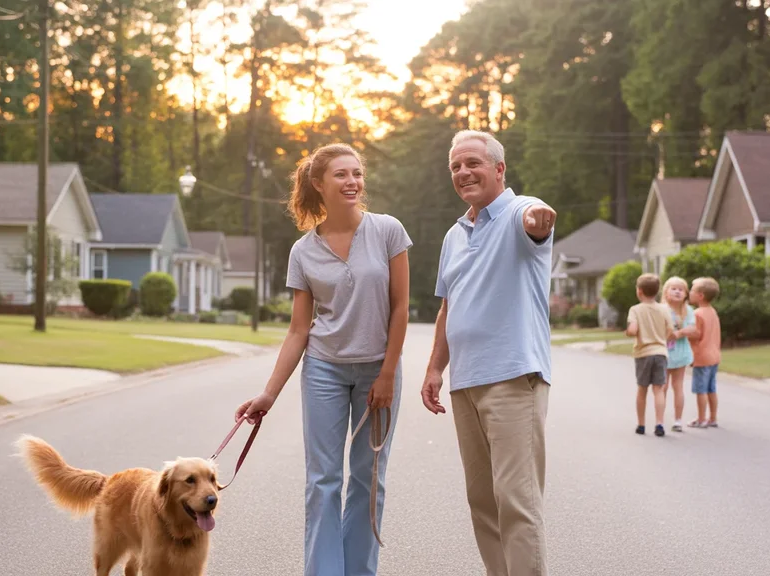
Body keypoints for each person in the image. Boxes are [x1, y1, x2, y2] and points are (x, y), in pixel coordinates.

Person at [234, 143, 412, 576]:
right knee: (323, 481)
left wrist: (387, 372)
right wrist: (268, 394)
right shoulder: (303, 252)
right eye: (341, 175)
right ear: (318, 184)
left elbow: (402, 306)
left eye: (357, 173)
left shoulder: (388, 231)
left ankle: (358, 571)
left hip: (377, 369)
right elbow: (299, 329)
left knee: (369, 478)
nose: (352, 182)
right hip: (324, 370)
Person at [421, 129, 556, 576]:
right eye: (455, 166)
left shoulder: (519, 210)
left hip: (514, 378)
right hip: (466, 384)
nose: (463, 172)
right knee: (482, 502)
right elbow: (448, 307)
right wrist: (435, 367)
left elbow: (536, 220)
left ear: (499, 169)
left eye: (473, 163)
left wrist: (540, 219)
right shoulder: (455, 235)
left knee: (516, 500)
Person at [625, 273, 675, 437]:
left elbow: (633, 330)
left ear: (639, 291)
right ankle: (660, 423)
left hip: (643, 353)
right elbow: (670, 330)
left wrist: (629, 332)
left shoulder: (635, 310)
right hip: (660, 353)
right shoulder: (664, 309)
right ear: (657, 291)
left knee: (642, 389)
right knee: (659, 389)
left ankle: (641, 424)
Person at [662, 276, 697, 432]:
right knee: (662, 387)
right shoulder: (661, 309)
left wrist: (677, 333)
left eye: (681, 289)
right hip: (663, 353)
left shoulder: (688, 311)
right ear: (666, 292)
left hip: (680, 353)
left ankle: (677, 420)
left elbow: (692, 329)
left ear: (685, 294)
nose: (677, 292)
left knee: (678, 386)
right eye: (673, 289)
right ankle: (659, 420)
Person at [687, 277, 722, 428]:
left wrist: (683, 332)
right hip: (714, 356)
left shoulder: (697, 314)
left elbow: (696, 334)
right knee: (711, 389)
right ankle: (712, 418)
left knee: (700, 390)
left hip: (702, 356)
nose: (689, 292)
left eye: (692, 290)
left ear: (700, 295)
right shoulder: (712, 311)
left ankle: (701, 419)